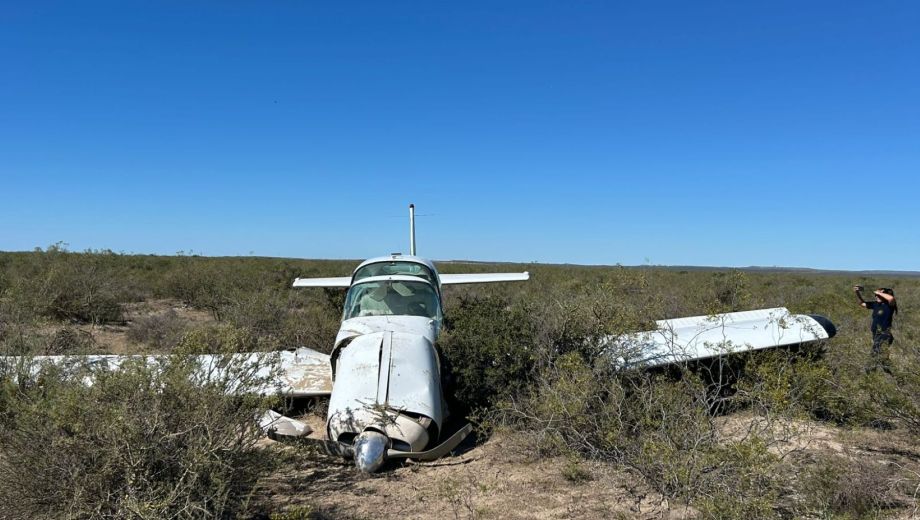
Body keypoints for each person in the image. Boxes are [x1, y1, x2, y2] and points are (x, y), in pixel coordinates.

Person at [854, 286, 898, 358]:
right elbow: (861, 303)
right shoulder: (876, 304)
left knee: (874, 355)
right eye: (875, 295)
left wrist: (878, 292)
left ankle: (872, 365)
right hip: (876, 334)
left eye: (878, 295)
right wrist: (857, 292)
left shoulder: (889, 305)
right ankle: (886, 365)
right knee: (881, 357)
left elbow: (891, 298)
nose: (876, 296)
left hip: (884, 334)